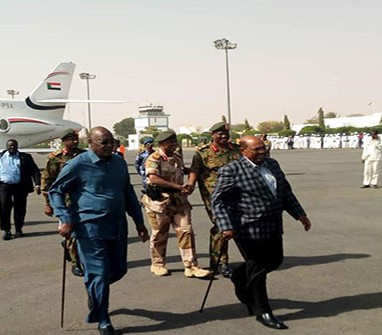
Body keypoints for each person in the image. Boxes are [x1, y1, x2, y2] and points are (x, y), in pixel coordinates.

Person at [49, 126, 148, 335]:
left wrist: (139, 222)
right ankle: (103, 317)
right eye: (104, 142)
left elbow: (128, 192)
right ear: (91, 144)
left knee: (119, 270)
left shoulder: (119, 162)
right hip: (89, 227)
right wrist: (65, 218)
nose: (109, 146)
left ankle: (94, 289)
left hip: (117, 225)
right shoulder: (77, 164)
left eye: (111, 141)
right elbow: (55, 190)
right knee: (100, 273)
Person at [211, 135, 311, 330]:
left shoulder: (272, 164)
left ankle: (239, 275)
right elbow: (218, 200)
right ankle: (263, 311)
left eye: (263, 148)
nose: (262, 152)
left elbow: (285, 192)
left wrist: (299, 214)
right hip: (248, 227)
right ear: (243, 151)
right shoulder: (232, 170)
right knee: (257, 270)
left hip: (273, 223)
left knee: (275, 260)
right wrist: (225, 226)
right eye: (256, 149)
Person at [142, 130, 211, 278]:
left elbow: (184, 170)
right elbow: (153, 178)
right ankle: (158, 264)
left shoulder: (176, 157)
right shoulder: (154, 158)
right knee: (160, 234)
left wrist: (193, 178)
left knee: (186, 231)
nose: (174, 145)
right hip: (159, 202)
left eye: (175, 142)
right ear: (162, 144)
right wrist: (179, 187)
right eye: (171, 142)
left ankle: (191, 265)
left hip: (179, 202)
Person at [188, 122, 240, 277]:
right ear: (212, 135)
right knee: (220, 225)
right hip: (214, 196)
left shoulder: (236, 151)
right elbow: (194, 171)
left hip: (236, 194)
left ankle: (246, 257)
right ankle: (220, 262)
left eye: (226, 134)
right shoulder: (203, 153)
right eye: (220, 134)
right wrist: (190, 185)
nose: (224, 136)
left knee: (238, 225)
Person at [41, 129, 86, 277]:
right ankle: (75, 263)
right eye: (71, 139)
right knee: (71, 233)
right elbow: (47, 181)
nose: (75, 141)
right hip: (65, 201)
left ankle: (73, 251)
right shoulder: (55, 158)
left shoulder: (84, 155)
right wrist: (48, 203)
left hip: (84, 199)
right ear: (64, 141)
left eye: (76, 138)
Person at [0, 139, 41, 240]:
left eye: (14, 146)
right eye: (10, 146)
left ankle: (19, 229)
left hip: (20, 186)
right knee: (4, 207)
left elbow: (35, 170)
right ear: (6, 146)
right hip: (4, 186)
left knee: (20, 208)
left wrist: (37, 185)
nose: (12, 147)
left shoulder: (25, 157)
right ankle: (7, 231)